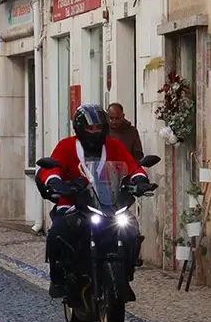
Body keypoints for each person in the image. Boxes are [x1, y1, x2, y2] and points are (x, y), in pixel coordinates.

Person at [37, 104, 152, 298]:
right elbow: (51, 168)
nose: (95, 132)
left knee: (130, 227)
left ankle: (126, 271)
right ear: (80, 128)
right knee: (58, 230)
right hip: (73, 200)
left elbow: (132, 166)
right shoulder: (66, 145)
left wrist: (140, 180)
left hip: (107, 202)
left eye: (99, 127)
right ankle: (57, 276)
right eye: (90, 128)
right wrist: (55, 182)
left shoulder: (114, 146)